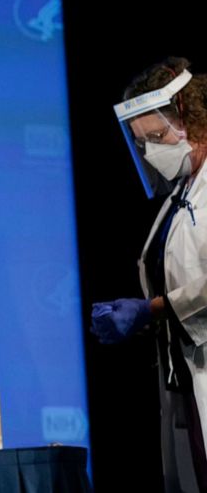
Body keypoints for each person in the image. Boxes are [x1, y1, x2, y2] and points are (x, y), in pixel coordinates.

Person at [92, 57, 207, 492]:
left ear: (189, 117)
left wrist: (152, 310)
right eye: (142, 144)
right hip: (185, 379)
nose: (151, 153)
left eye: (157, 137)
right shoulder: (181, 193)